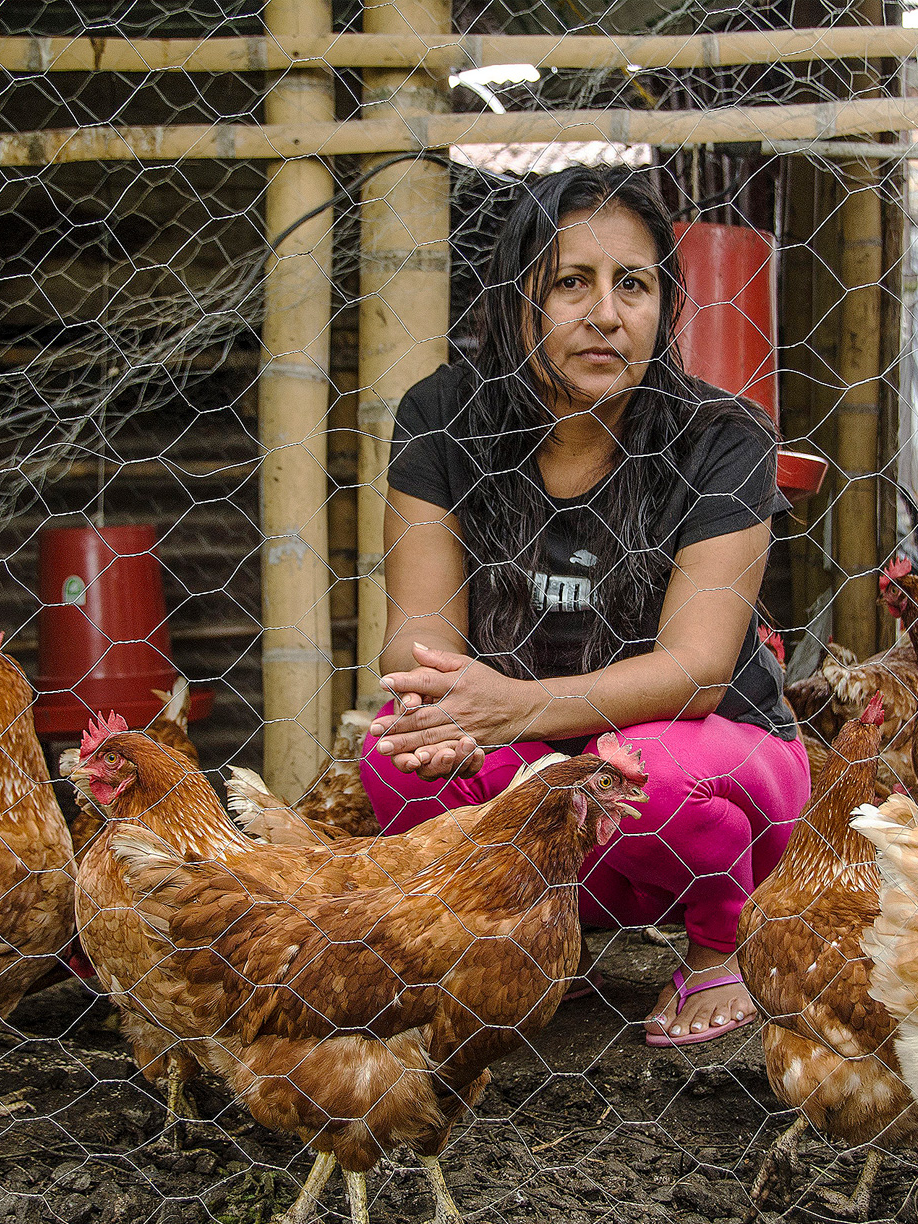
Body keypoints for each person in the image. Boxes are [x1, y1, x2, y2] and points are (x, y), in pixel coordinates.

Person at [359, 165, 810, 1046]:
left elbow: (700, 672)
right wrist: (443, 708)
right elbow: (416, 637)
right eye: (572, 282)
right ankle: (533, 946)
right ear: (515, 295)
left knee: (643, 776)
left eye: (632, 285)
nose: (605, 313)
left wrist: (515, 709)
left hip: (718, 760)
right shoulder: (444, 417)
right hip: (534, 756)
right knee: (394, 762)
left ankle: (727, 947)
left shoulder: (723, 436)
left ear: (663, 306)